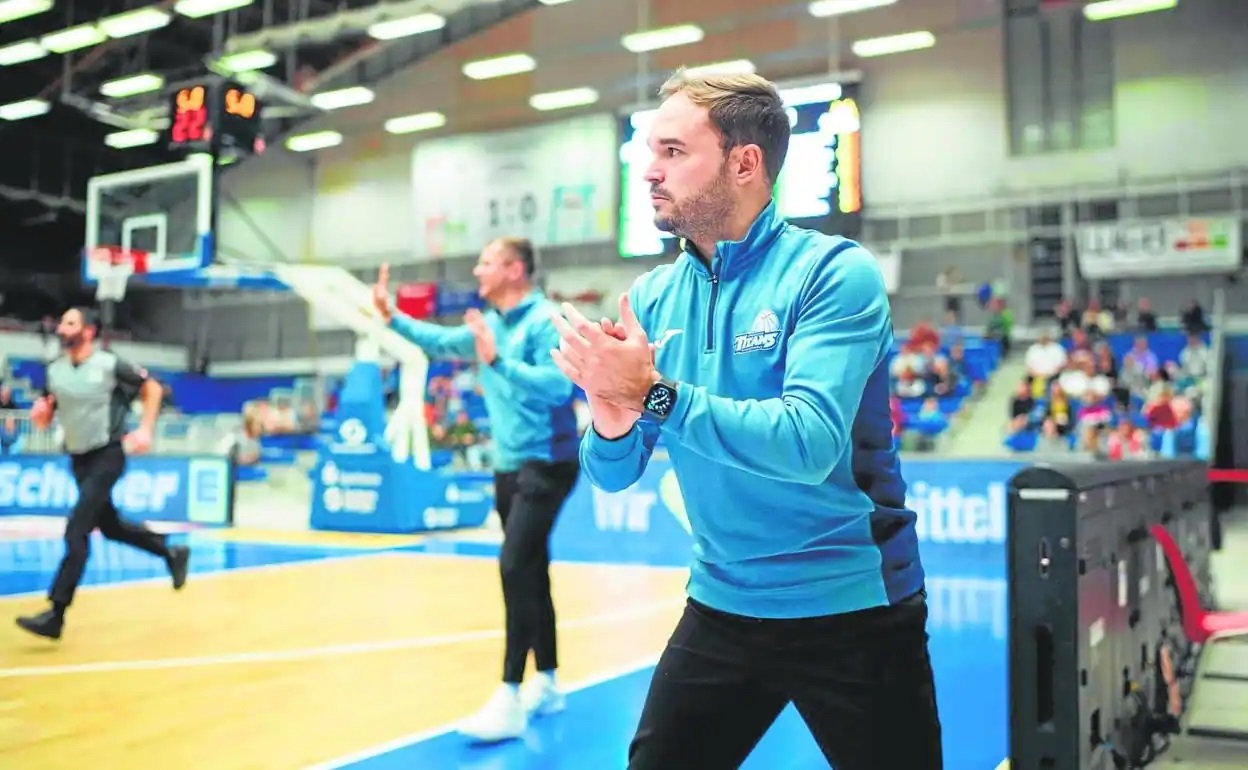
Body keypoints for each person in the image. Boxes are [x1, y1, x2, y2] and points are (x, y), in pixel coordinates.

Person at [549, 69, 944, 770]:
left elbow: (807, 442)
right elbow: (612, 473)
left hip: (852, 606)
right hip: (723, 602)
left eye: (673, 151)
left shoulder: (832, 273)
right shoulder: (652, 296)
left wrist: (652, 395)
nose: (649, 171)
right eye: (649, 151)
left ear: (744, 162)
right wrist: (610, 414)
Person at [372, 237, 580, 742]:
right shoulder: (490, 324)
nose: (477, 270)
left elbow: (559, 386)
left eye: (486, 262)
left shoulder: (545, 320)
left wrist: (498, 361)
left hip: (547, 463)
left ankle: (509, 694)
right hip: (508, 467)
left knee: (513, 567)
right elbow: (441, 341)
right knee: (531, 571)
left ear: (514, 270)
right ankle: (548, 682)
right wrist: (392, 317)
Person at [16, 307, 190, 641]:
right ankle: (170, 551)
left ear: (88, 331)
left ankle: (56, 612)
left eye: (70, 323)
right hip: (79, 459)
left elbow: (152, 388)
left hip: (107, 454)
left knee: (76, 531)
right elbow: (46, 413)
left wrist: (145, 429)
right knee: (110, 527)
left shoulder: (109, 364)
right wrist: (41, 415)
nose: (62, 328)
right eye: (62, 322)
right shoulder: (55, 371)